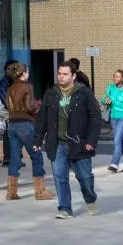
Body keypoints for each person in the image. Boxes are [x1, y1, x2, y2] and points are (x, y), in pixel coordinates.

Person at [35, 62, 101, 219]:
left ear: (73, 76)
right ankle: (65, 208)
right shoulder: (51, 93)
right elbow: (42, 118)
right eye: (59, 73)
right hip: (57, 144)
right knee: (60, 177)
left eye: (65, 74)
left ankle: (90, 198)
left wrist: (91, 140)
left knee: (85, 177)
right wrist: (38, 140)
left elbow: (95, 117)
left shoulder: (83, 92)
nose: (61, 77)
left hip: (79, 143)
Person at [4, 62, 54, 201]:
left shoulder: (10, 88)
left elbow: (8, 106)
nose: (29, 73)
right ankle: (40, 191)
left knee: (14, 158)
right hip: (26, 124)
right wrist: (38, 105)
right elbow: (30, 107)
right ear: (24, 73)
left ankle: (11, 192)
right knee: (36, 156)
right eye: (27, 71)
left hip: (12, 124)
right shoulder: (28, 87)